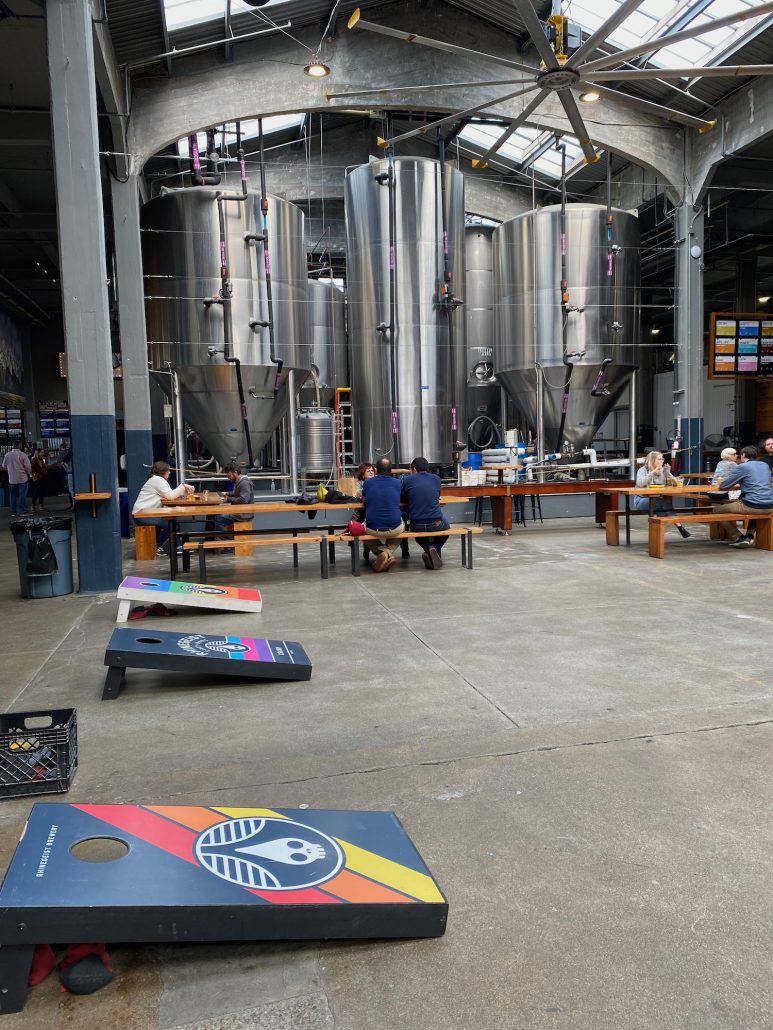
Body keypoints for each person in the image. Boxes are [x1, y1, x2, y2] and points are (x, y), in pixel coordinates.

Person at [712, 445, 773, 546]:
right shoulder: (765, 465)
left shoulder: (742, 467)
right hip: (770, 505)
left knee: (716, 511)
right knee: (756, 512)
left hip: (751, 505)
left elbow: (724, 485)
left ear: (743, 455)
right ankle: (749, 536)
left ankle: (739, 537)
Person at [131, 461, 194, 555]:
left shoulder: (157, 480)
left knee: (173, 523)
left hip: (145, 513)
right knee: (172, 525)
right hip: (142, 515)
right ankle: (158, 547)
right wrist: (183, 486)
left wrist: (183, 491)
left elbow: (170, 495)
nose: (169, 472)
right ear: (162, 471)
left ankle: (175, 547)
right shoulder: (157, 480)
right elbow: (170, 496)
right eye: (168, 471)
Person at [401, 456, 449, 570]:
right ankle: (435, 548)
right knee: (446, 528)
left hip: (417, 524)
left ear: (414, 469)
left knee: (417, 535)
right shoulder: (436, 479)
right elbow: (437, 495)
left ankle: (428, 548)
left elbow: (402, 498)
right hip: (436, 523)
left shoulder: (407, 480)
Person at [634, 450, 691, 539]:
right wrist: (652, 473)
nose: (662, 461)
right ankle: (679, 526)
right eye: (659, 459)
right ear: (653, 461)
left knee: (663, 504)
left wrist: (668, 473)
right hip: (641, 501)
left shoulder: (663, 470)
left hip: (657, 501)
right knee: (664, 503)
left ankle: (664, 532)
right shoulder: (643, 470)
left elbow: (677, 484)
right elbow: (640, 483)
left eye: (662, 459)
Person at [361, 457, 404, 572]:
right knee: (404, 528)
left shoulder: (367, 483)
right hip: (394, 528)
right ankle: (387, 552)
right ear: (391, 470)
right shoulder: (398, 483)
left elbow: (364, 498)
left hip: (372, 528)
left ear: (376, 470)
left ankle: (382, 553)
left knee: (361, 530)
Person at [215, 466, 254, 535]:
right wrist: (228, 493)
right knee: (216, 515)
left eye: (229, 475)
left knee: (218, 520)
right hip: (238, 511)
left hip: (243, 514)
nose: (228, 478)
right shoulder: (238, 481)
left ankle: (229, 541)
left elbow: (244, 500)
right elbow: (236, 493)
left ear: (235, 473)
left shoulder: (244, 483)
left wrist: (228, 499)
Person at [2, 441, 32, 517]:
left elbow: (4, 465)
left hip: (12, 479)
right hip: (22, 478)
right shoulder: (23, 455)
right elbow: (28, 467)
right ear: (20, 446)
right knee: (22, 495)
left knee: (12, 495)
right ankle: (23, 511)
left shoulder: (7, 455)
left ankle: (13, 512)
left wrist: (10, 469)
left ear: (12, 446)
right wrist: (29, 473)